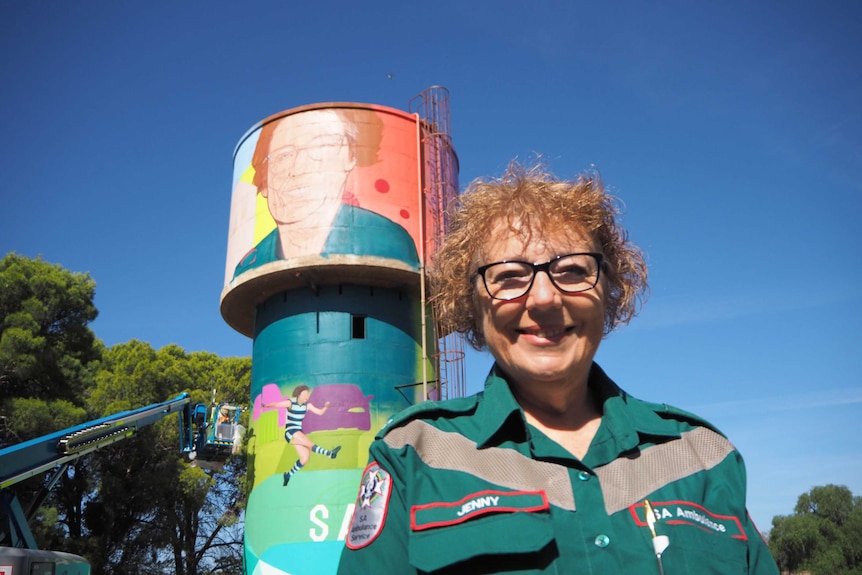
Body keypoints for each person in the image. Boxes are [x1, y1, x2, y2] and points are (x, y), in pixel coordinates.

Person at [337, 163, 779, 573]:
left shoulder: (702, 457)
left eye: (571, 270)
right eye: (508, 275)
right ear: (470, 303)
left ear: (611, 289)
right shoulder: (413, 455)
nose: (545, 298)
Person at [232, 108, 419, 278]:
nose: (299, 168)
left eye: (321, 148)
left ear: (350, 159)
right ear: (263, 182)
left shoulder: (390, 241)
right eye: (284, 155)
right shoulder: (248, 267)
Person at [262, 385, 341, 486]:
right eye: (305, 394)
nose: (307, 397)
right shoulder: (291, 402)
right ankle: (329, 454)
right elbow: (277, 404)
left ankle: (288, 475)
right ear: (299, 394)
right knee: (308, 442)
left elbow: (320, 413)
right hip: (291, 431)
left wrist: (326, 406)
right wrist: (265, 406)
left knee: (305, 458)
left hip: (298, 431)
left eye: (307, 394)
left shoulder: (307, 405)